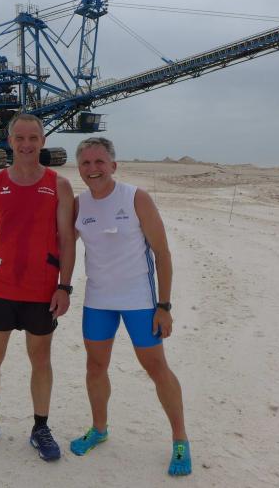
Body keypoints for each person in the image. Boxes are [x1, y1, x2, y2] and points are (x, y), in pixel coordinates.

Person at [69, 137, 191, 476]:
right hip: (98, 300)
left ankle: (180, 439)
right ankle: (99, 429)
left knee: (156, 367)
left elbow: (162, 254)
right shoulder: (79, 205)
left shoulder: (136, 198)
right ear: (79, 169)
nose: (93, 169)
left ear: (113, 165)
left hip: (139, 299)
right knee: (95, 366)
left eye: (99, 162)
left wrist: (164, 306)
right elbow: (60, 244)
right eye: (86, 163)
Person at [0, 113, 75, 461]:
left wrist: (65, 287)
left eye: (33, 138)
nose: (26, 144)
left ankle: (40, 427)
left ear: (43, 141)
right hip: (0, 287)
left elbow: (67, 239)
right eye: (20, 138)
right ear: (9, 141)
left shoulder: (59, 185)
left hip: (41, 289)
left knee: (40, 360)